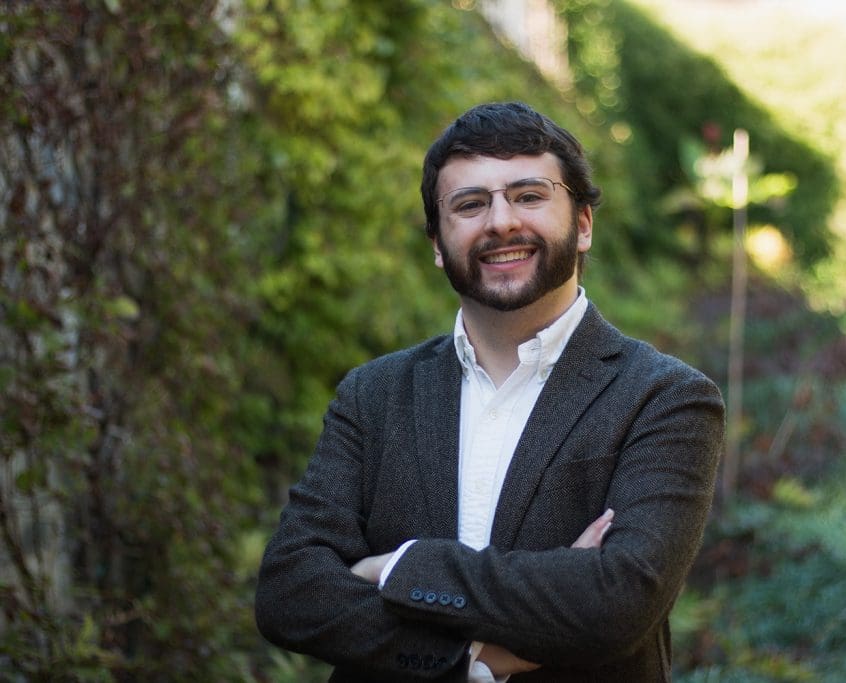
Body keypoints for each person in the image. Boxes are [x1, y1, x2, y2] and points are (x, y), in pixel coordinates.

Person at [255, 101, 724, 682]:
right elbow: (289, 592)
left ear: (582, 224)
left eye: (528, 195)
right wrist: (471, 660)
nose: (501, 222)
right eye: (470, 204)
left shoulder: (664, 398)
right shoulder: (373, 394)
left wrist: (397, 566)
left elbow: (616, 603)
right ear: (437, 243)